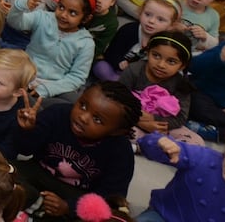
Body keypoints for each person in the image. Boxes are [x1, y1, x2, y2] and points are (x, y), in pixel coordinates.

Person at [15, 82, 141, 221]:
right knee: (4, 170)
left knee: (102, 214)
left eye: (97, 119)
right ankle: (38, 206)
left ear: (118, 131)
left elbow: (112, 196)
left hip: (78, 195)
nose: (83, 117)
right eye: (83, 105)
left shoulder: (121, 152)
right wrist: (28, 131)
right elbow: (24, 150)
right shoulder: (58, 113)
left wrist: (69, 207)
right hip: (38, 173)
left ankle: (32, 207)